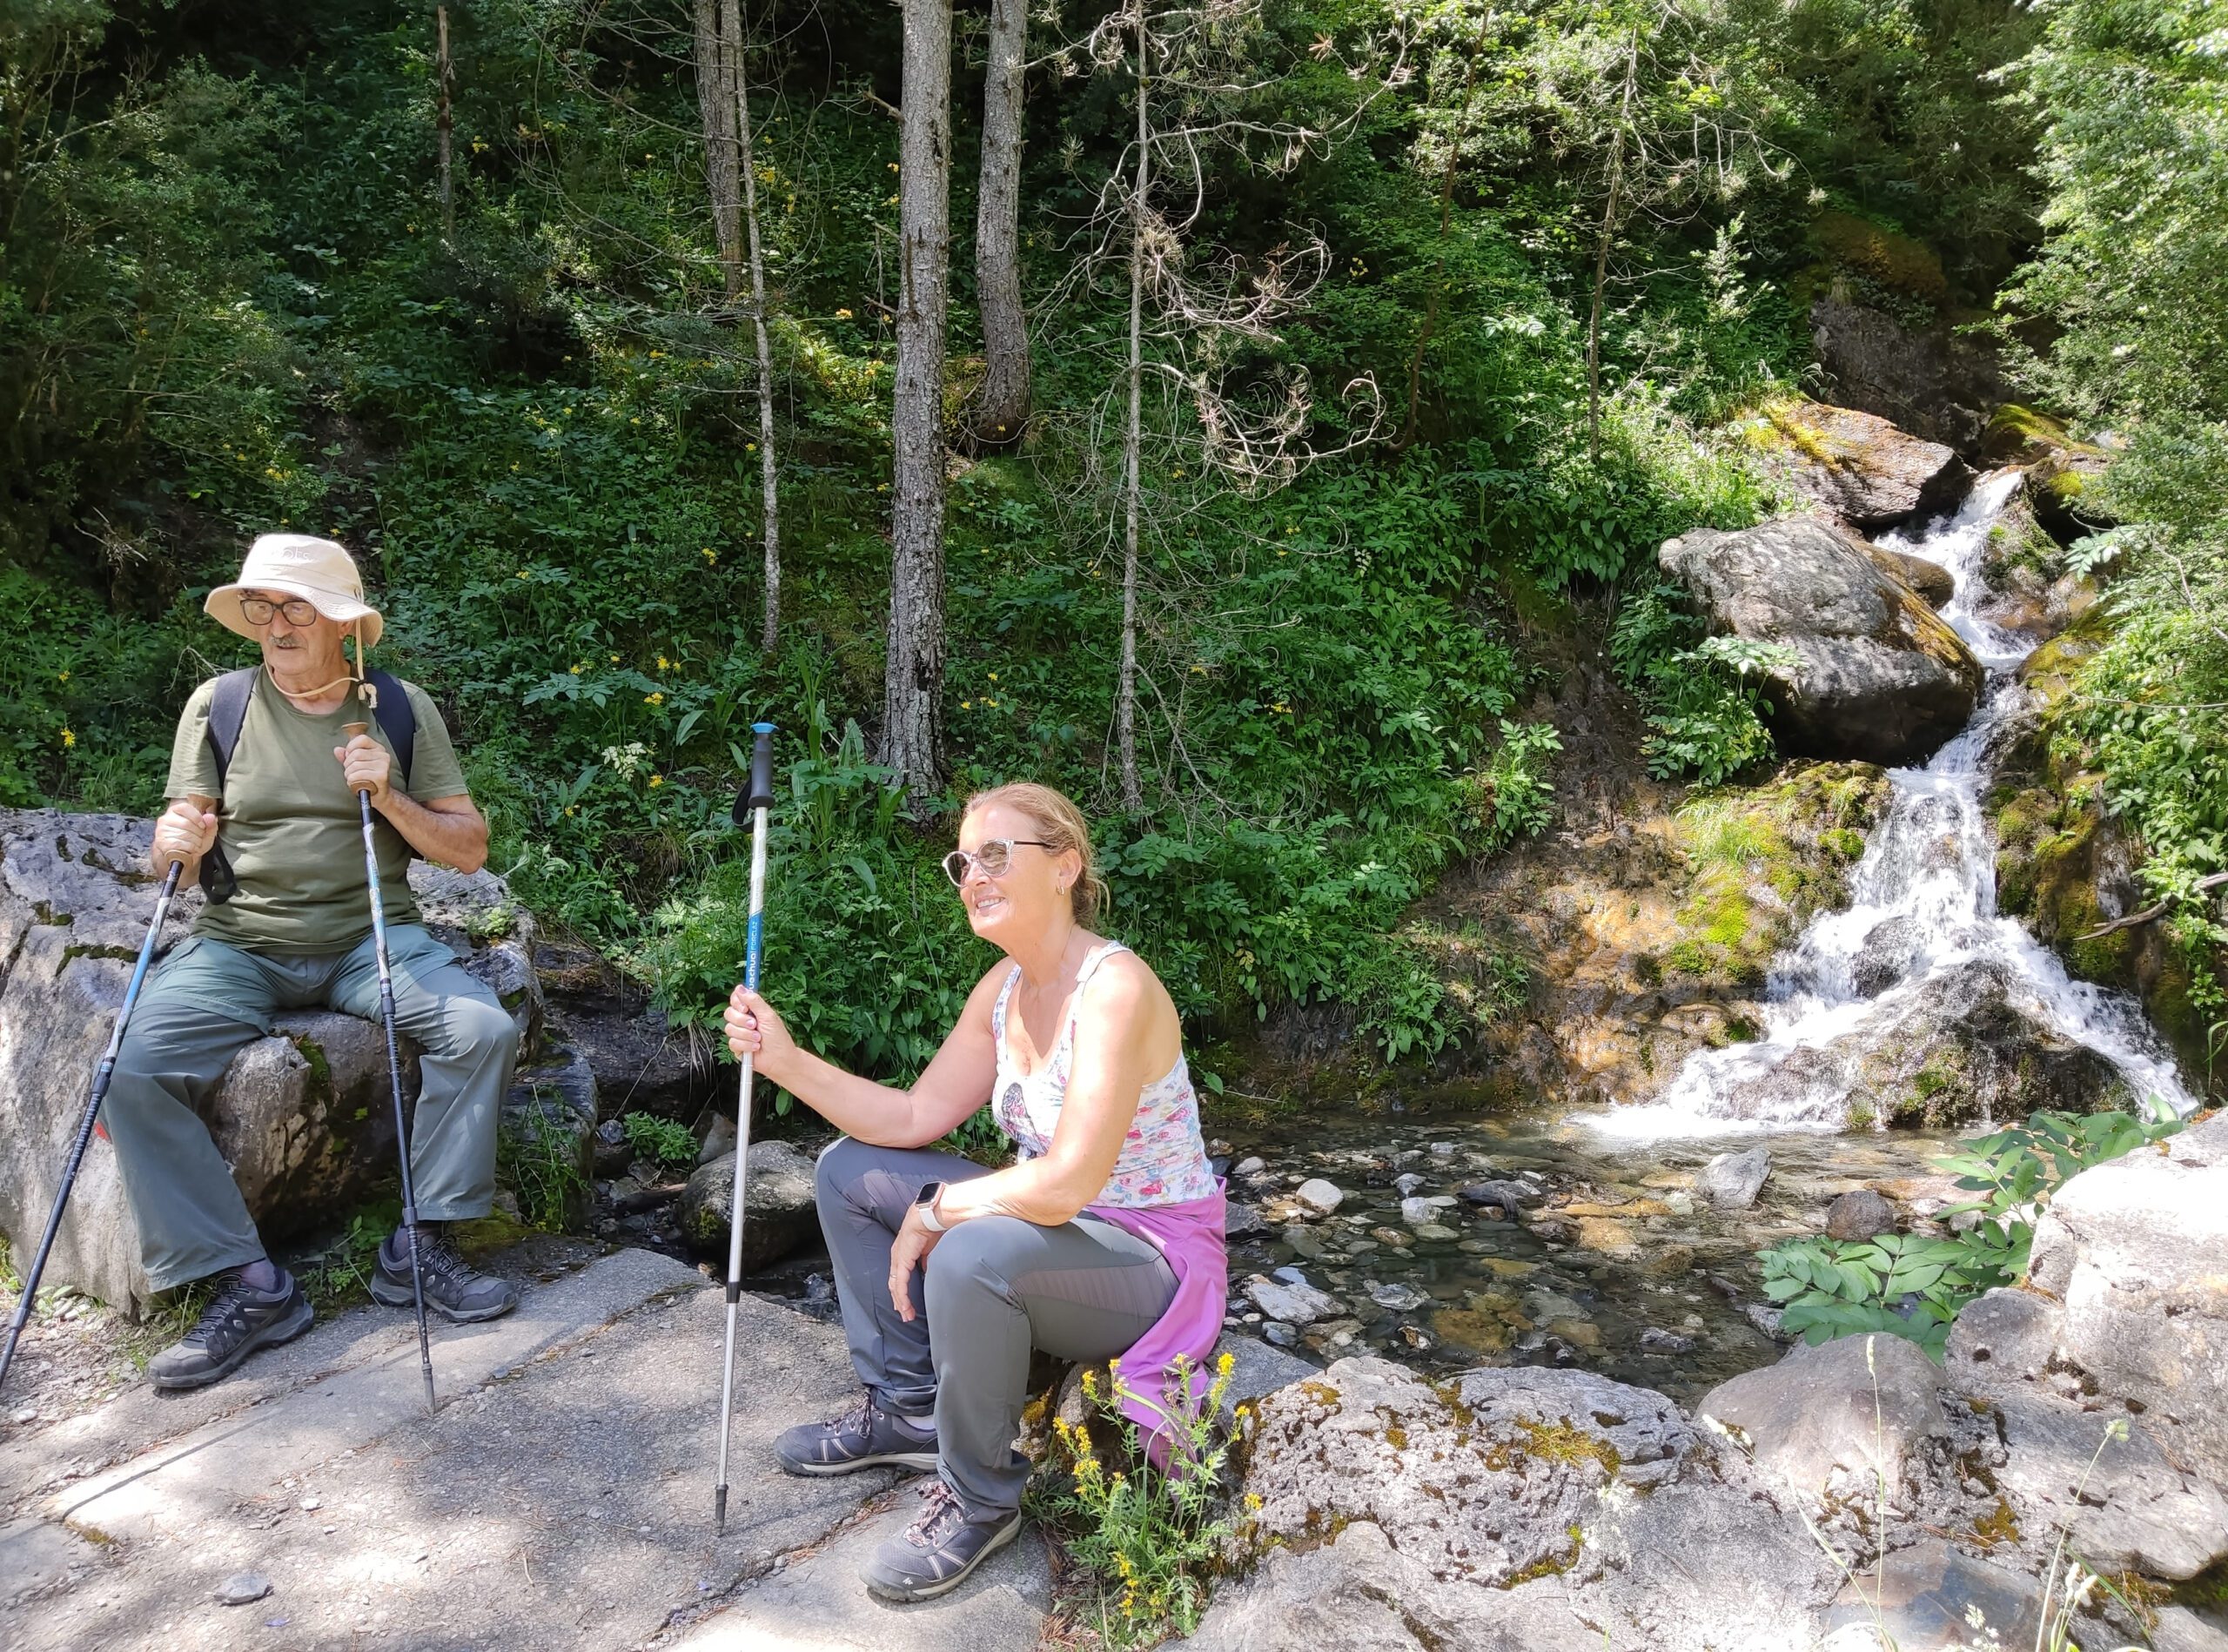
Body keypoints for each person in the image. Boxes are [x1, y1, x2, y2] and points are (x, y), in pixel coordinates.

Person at [722, 782, 1228, 1603]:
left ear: (1066, 866)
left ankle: (982, 1497)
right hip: (1057, 1227)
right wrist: (783, 1059)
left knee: (971, 1252)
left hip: (1149, 1254)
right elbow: (916, 1114)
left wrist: (938, 1211)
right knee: (850, 1171)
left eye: (998, 854)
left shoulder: (1116, 989)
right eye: (964, 860)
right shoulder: (1001, 991)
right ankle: (908, 1411)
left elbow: (1066, 1182)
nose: (972, 875)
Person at [107, 533, 521, 1392]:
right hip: (240, 942)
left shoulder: (398, 710)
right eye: (262, 605)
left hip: (371, 939)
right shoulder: (218, 705)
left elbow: (471, 847)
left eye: (296, 605)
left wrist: (388, 793)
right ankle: (251, 1284)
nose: (276, 623)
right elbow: (175, 855)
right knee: (133, 1066)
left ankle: (419, 1244)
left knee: (480, 1029)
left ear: (341, 623)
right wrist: (172, 844)